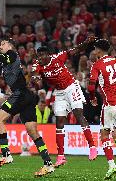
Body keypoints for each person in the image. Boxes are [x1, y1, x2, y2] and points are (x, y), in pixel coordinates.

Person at [0, 33, 54, 177]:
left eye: (3, 44)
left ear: (10, 46)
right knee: (32, 131)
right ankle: (48, 163)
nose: (0, 46)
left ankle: (6, 154)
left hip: (20, 94)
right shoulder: (5, 59)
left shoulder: (12, 54)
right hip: (27, 96)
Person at [32, 37, 98, 168]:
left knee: (78, 114)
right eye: (38, 55)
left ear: (48, 55)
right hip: (59, 92)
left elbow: (76, 50)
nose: (40, 58)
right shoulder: (37, 65)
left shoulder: (58, 57)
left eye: (42, 55)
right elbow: (35, 77)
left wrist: (87, 42)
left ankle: (92, 147)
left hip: (71, 87)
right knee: (59, 121)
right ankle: (61, 156)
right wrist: (35, 80)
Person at [88, 39, 116, 179]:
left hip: (110, 104)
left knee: (104, 134)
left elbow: (91, 86)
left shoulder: (97, 65)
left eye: (95, 49)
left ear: (98, 50)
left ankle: (112, 165)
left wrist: (92, 97)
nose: (94, 52)